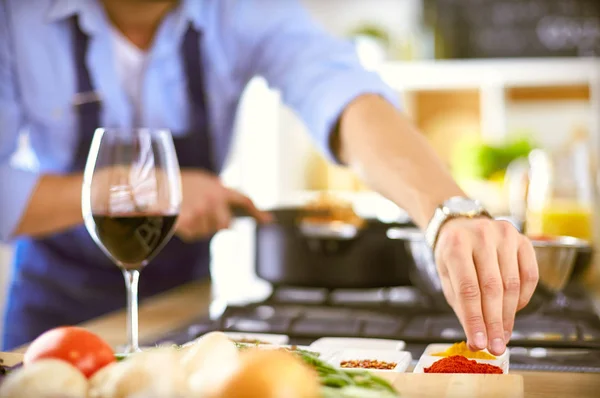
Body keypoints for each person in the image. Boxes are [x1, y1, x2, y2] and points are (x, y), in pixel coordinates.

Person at [0, 0, 538, 354]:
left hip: (181, 301)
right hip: (50, 308)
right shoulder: (15, 17)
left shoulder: (242, 9)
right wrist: (136, 189)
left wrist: (448, 211)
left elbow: (342, 93)